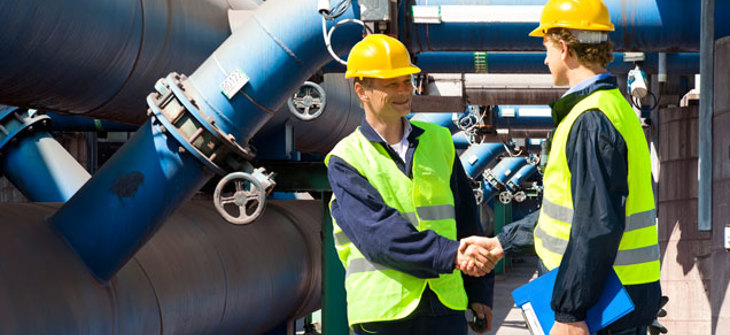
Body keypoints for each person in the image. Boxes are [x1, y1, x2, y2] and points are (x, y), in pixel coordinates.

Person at [460, 1, 662, 334]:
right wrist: (501, 244)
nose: (545, 59)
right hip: (616, 297)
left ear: (565, 48)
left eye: (547, 48)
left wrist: (571, 312)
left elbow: (596, 223)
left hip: (602, 307)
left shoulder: (590, 119)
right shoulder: (614, 108)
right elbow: (566, 217)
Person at [325, 34, 496, 335]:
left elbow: (467, 220)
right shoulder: (345, 159)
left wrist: (480, 292)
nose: (404, 91)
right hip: (383, 313)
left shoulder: (439, 141)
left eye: (407, 81)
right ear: (361, 89)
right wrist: (453, 255)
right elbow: (378, 236)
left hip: (445, 305)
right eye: (392, 84)